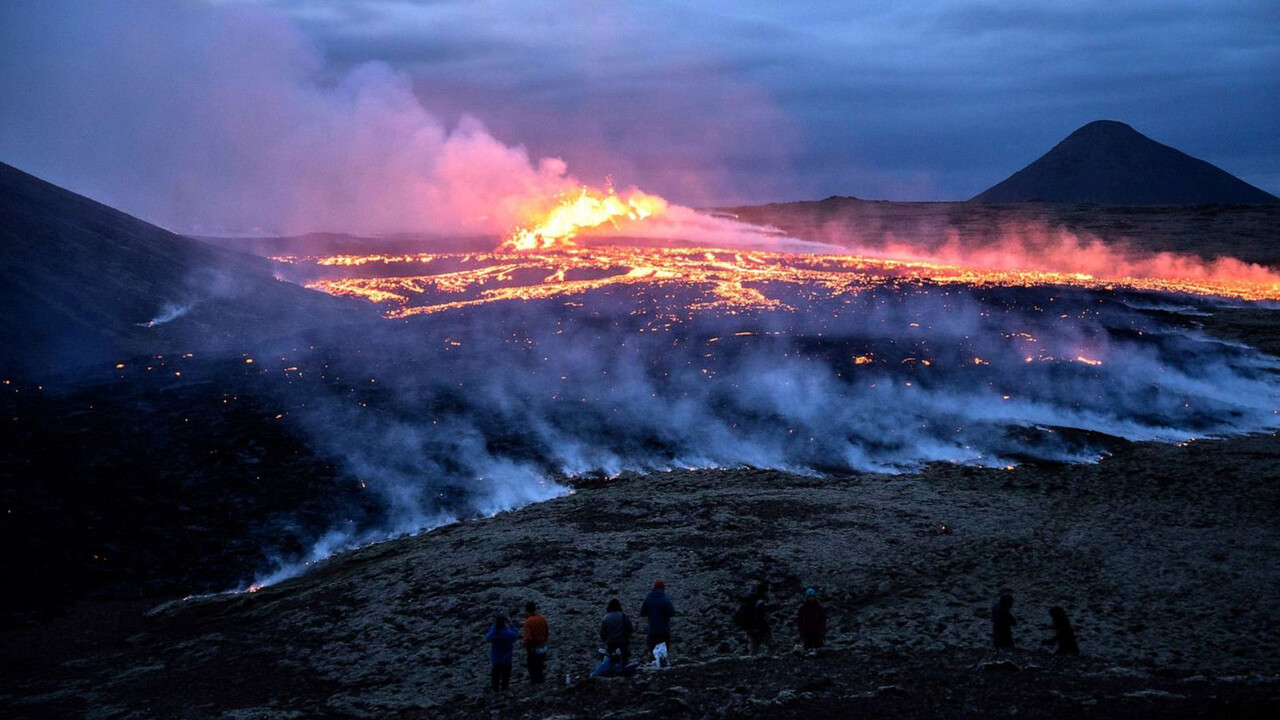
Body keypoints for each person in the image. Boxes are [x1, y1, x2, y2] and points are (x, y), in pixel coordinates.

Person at [640, 580, 677, 664]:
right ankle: (662, 666)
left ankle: (653, 665)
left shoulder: (648, 598)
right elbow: (672, 613)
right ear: (663, 588)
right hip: (664, 630)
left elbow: (642, 613)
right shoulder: (665, 599)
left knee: (653, 650)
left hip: (652, 630)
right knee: (663, 651)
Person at [485, 614, 521, 691]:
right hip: (507, 659)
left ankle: (495, 690)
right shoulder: (508, 633)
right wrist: (511, 624)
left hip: (496, 659)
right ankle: (504, 690)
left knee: (495, 677)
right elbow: (516, 635)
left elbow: (487, 637)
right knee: (505, 677)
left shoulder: (494, 634)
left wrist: (494, 627)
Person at [735, 583, 773, 655]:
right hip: (760, 629)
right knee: (770, 645)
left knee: (754, 649)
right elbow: (760, 617)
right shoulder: (760, 603)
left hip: (750, 629)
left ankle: (752, 663)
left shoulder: (751, 601)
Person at [600, 598, 634, 666]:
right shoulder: (624, 616)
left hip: (611, 642)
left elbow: (602, 633)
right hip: (622, 641)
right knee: (624, 659)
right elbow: (630, 629)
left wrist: (605, 640)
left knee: (611, 658)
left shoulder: (606, 618)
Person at [522, 601, 550, 683]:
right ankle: (541, 682)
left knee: (533, 667)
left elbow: (528, 638)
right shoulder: (542, 619)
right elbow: (547, 631)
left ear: (526, 610)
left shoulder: (528, 622)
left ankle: (535, 683)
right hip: (543, 646)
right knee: (540, 666)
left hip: (534, 648)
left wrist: (528, 646)